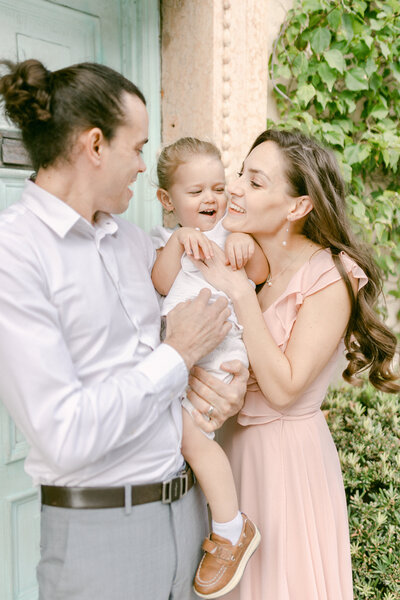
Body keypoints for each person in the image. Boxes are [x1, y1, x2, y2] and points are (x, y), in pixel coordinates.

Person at [0, 59, 248, 600]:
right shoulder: (14, 252)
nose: (142, 167)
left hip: (191, 517)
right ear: (94, 146)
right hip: (100, 538)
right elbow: (62, 434)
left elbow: (192, 346)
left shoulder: (138, 243)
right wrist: (178, 353)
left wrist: (222, 392)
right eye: (136, 149)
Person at [190, 129, 400, 600]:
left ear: (297, 207)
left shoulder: (332, 275)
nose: (236, 187)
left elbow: (284, 388)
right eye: (241, 172)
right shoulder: (242, 255)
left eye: (257, 181)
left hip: (284, 462)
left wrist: (242, 294)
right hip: (228, 452)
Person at [151, 137, 268, 598]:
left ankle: (230, 528)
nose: (211, 199)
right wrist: (179, 243)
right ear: (167, 200)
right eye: (196, 191)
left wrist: (242, 242)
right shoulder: (168, 242)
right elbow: (161, 284)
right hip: (183, 361)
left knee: (191, 440)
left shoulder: (230, 235)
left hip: (220, 354)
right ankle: (216, 522)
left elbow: (257, 273)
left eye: (218, 188)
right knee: (182, 439)